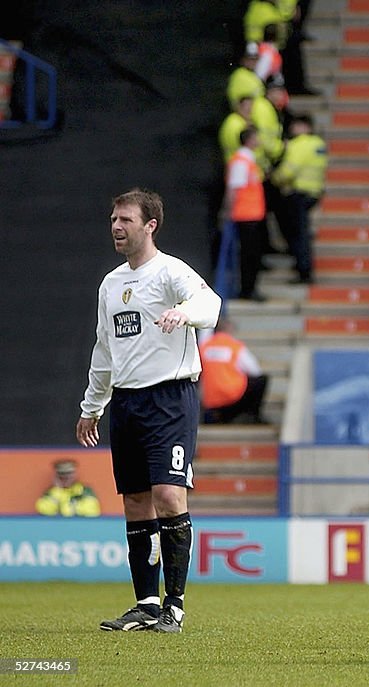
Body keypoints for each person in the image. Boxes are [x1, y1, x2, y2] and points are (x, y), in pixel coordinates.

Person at [76, 189, 221, 633]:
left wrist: (184, 313)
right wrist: (92, 406)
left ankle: (174, 607)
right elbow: (105, 350)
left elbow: (210, 305)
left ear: (149, 225)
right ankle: (145, 604)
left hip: (169, 399)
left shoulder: (170, 271)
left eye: (125, 219)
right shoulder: (111, 283)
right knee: (135, 501)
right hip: (126, 402)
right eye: (113, 218)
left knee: (168, 496)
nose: (116, 226)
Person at [271, 114, 327, 284]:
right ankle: (302, 267)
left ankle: (303, 270)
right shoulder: (319, 144)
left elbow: (288, 171)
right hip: (314, 192)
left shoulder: (297, 145)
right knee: (301, 232)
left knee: (299, 235)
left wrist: (274, 178)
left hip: (298, 194)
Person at [198, 318, 268, 424]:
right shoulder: (234, 346)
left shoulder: (204, 346)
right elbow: (255, 370)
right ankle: (252, 415)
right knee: (261, 380)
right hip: (232, 398)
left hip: (210, 402)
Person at [225, 127, 267, 301]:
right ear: (249, 140)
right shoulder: (241, 161)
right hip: (245, 215)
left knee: (252, 254)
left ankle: (250, 288)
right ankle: (247, 290)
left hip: (252, 214)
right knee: (249, 255)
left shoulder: (248, 160)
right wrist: (229, 211)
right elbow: (234, 189)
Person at [35, 459, 102, 517]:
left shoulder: (84, 490)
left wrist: (62, 509)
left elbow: (92, 510)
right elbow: (43, 509)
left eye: (68, 475)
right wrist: (58, 490)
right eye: (62, 476)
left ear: (74, 475)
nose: (65, 479)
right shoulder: (51, 492)